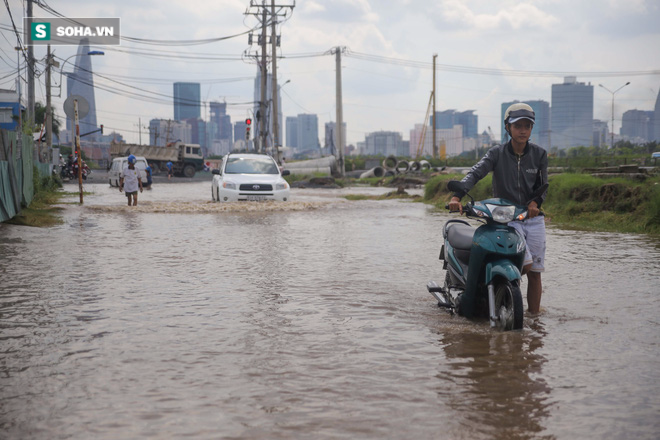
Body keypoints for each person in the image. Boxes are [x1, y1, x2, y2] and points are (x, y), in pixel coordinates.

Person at [448, 102, 548, 314]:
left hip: (532, 218)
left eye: (527, 126)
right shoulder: (497, 153)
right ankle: (502, 296)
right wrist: (457, 196)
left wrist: (535, 203)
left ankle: (535, 318)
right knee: (525, 265)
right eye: (518, 125)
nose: (523, 130)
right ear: (508, 128)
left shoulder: (539, 155)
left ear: (531, 129)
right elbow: (475, 173)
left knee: (535, 273)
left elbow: (543, 187)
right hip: (507, 217)